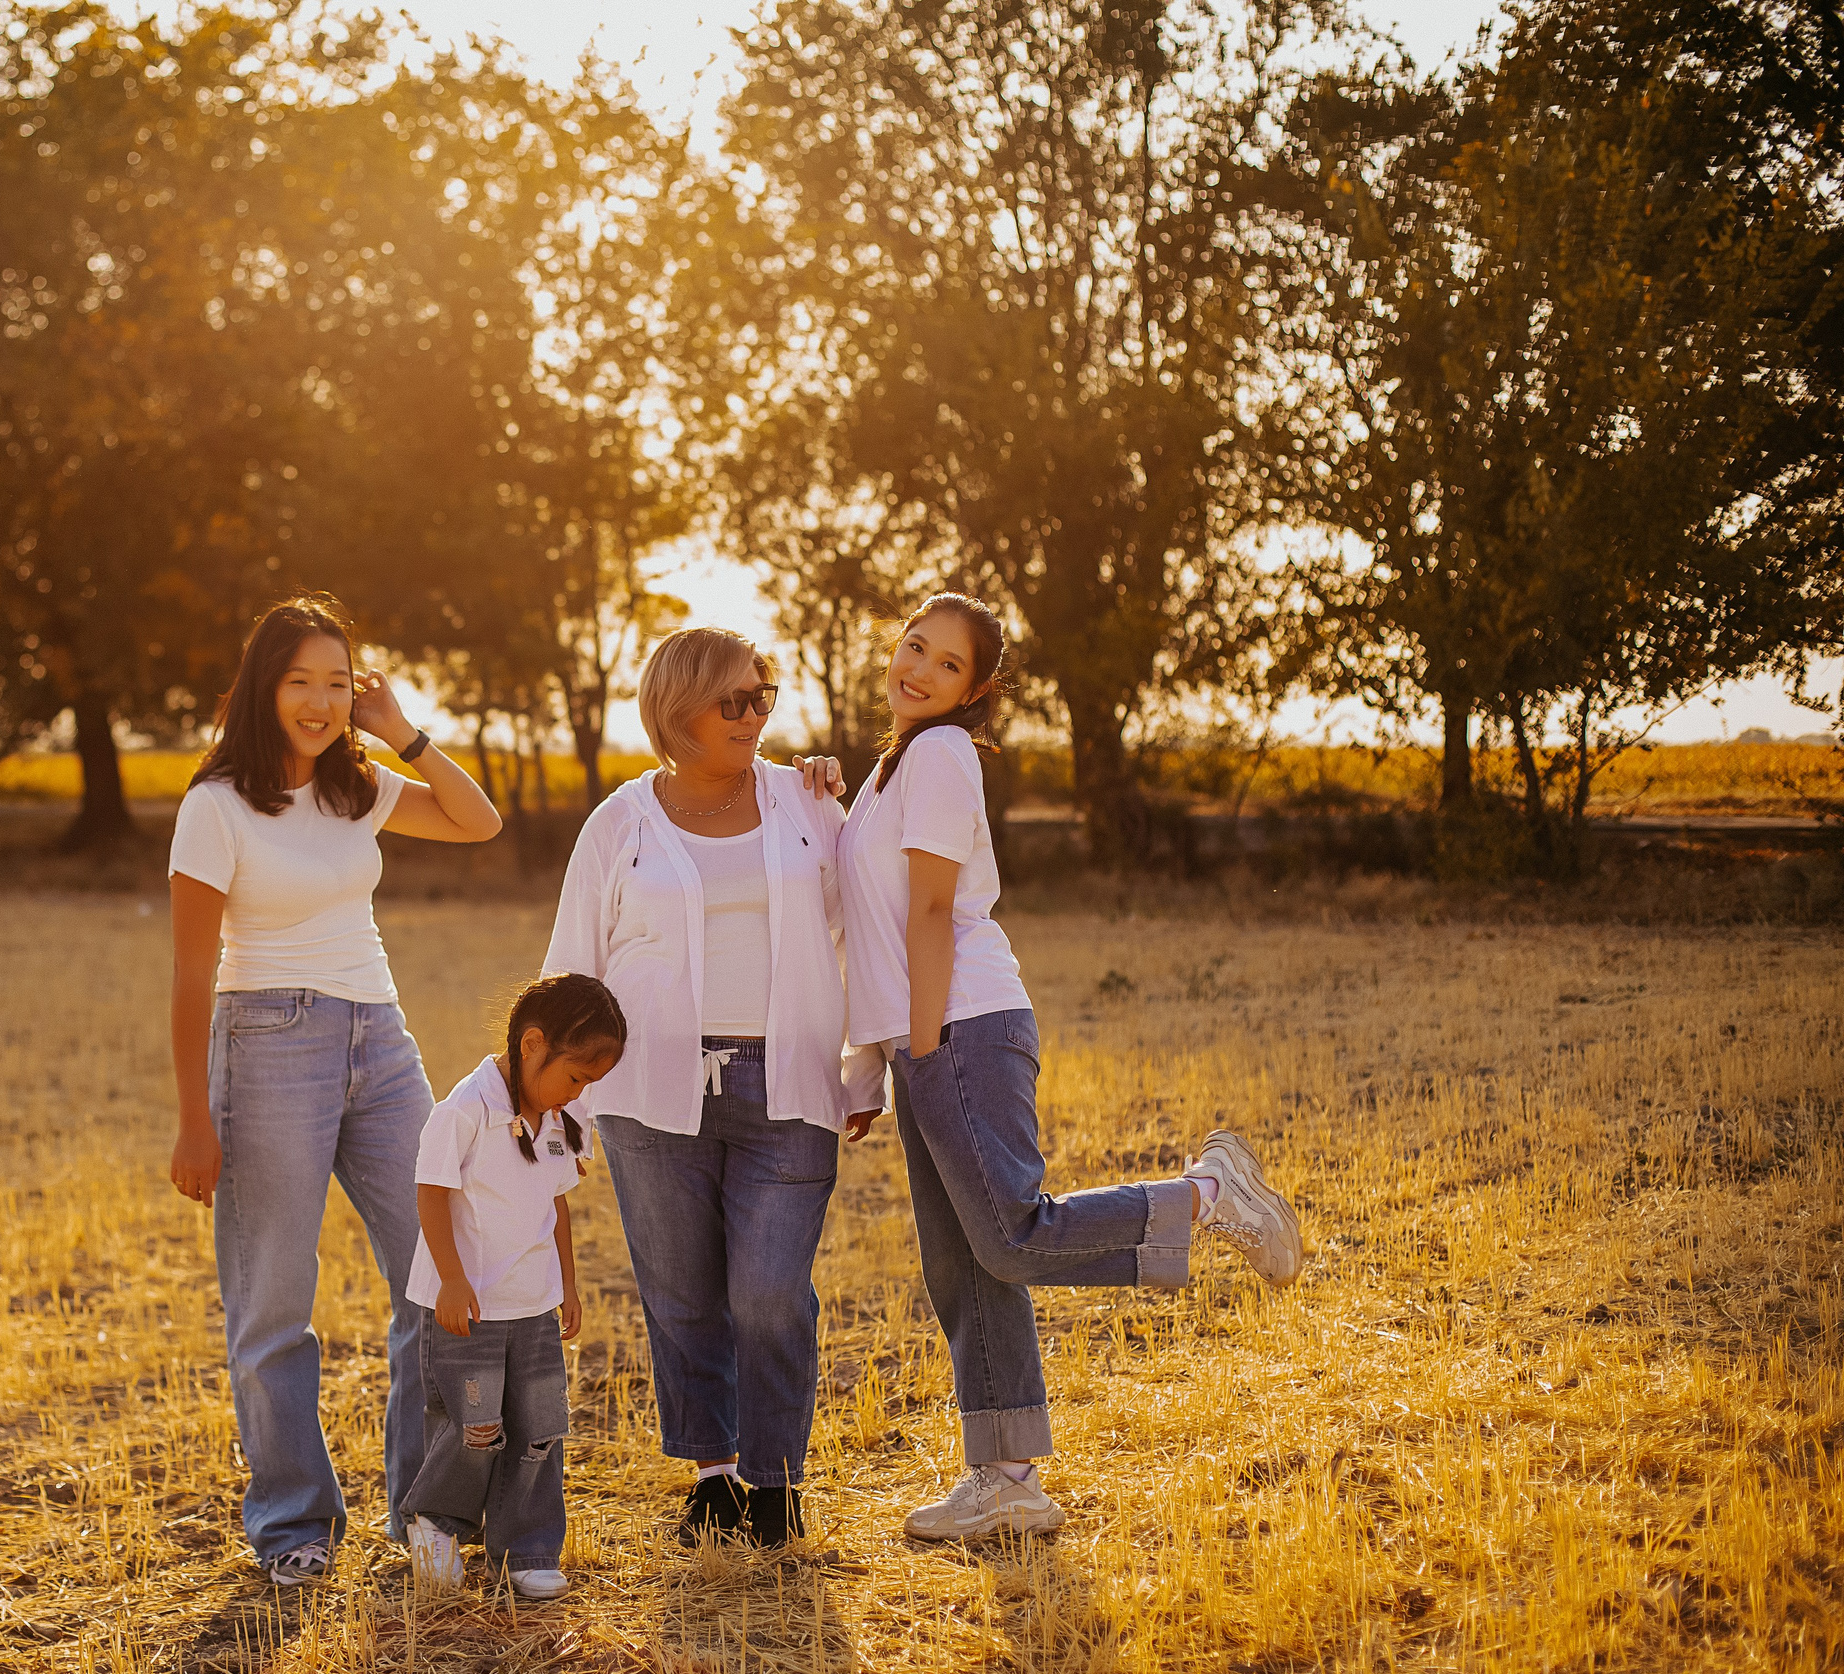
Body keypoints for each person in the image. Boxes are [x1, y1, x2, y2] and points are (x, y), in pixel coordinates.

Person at [838, 592, 1306, 1541]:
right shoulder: (889, 771)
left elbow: (930, 913)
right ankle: (1008, 1475)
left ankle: (1210, 1194)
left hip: (960, 1023)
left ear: (978, 690)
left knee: (1008, 1236)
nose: (920, 669)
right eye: (913, 646)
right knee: (963, 1261)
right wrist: (874, 1066)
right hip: (923, 1035)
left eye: (948, 665)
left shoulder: (938, 754)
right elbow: (869, 931)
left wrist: (922, 1048)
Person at [166, 594, 504, 1587]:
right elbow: (191, 974)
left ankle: (426, 1509)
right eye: (298, 682)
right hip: (267, 1041)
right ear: (261, 689)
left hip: (380, 1037)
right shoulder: (215, 806)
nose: (317, 704)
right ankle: (292, 1523)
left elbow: (478, 822)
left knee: (436, 1270)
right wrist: (195, 1117)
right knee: (274, 1299)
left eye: (334, 684)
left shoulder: (362, 787)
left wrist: (405, 732)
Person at [542, 627, 882, 1551]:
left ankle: (776, 1476)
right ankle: (715, 1473)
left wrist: (866, 1063)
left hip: (791, 1080)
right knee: (683, 1293)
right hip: (650, 1091)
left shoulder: (809, 801)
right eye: (734, 700)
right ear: (678, 707)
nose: (756, 714)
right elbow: (574, 963)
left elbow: (864, 933)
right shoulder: (618, 822)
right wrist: (552, 1105)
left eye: (764, 695)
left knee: (770, 1293)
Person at [402, 973, 627, 1602]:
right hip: (468, 1308)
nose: (579, 1093)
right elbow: (432, 1192)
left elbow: (556, 1206)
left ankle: (525, 1548)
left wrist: (570, 1286)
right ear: (533, 1045)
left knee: (540, 1426)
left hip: (532, 1307)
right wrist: (450, 1279)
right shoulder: (464, 1111)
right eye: (577, 1077)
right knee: (476, 1425)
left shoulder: (555, 1118)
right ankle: (437, 1527)